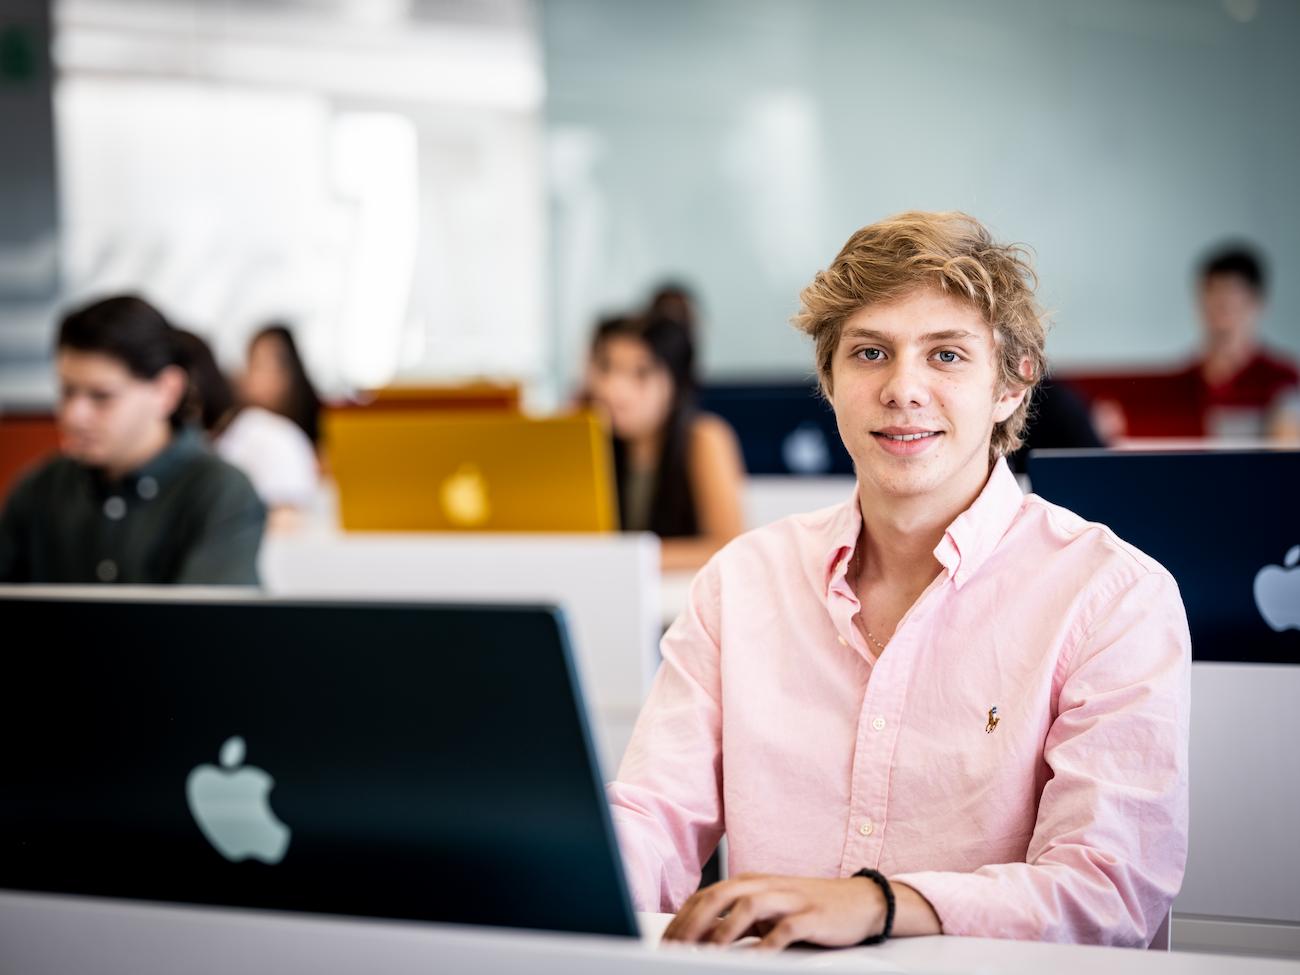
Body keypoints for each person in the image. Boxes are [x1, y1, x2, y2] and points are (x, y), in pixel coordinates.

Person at [607, 212, 1190, 949]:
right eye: (871, 352)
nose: (902, 388)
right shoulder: (742, 583)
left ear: (1012, 384)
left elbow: (1109, 889)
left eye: (946, 355)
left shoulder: (1112, 597)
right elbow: (650, 817)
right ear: (830, 377)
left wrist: (881, 904)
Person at [0, 295, 265, 584]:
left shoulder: (219, 492)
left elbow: (209, 626)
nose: (74, 415)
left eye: (101, 397)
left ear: (167, 391)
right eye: (67, 392)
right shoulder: (39, 490)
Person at [587, 315, 744, 571]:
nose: (614, 388)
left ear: (675, 382)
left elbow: (729, 545)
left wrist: (622, 559)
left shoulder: (703, 437)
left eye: (641, 373)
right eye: (606, 367)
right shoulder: (593, 439)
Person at [173, 330, 320, 533]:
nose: (249, 375)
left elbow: (287, 523)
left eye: (261, 365)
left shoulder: (272, 438)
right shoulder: (206, 442)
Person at [1172, 245, 1299, 439]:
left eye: (1230, 305)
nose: (1220, 318)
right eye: (1212, 303)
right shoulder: (1182, 381)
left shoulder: (1282, 380)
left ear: (1256, 304)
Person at [239, 324, 324, 449]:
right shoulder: (242, 427)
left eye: (266, 366)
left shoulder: (315, 425)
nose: (255, 378)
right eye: (254, 365)